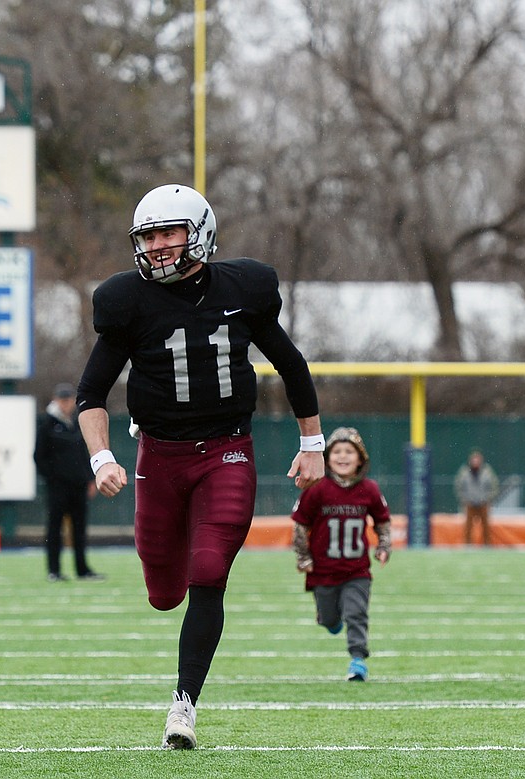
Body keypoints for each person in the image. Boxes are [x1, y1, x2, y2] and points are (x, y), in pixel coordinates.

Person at [76, 183, 325, 750]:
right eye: (148, 236)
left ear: (200, 233)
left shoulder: (245, 288)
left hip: (226, 450)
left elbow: (291, 365)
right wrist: (102, 456)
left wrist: (313, 443)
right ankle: (174, 598)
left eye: (168, 233)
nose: (158, 246)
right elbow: (90, 394)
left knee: (209, 569)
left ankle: (183, 707)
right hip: (159, 455)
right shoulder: (126, 301)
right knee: (164, 592)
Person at [291, 427, 391, 682]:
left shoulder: (369, 489)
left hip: (356, 569)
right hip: (323, 569)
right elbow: (301, 524)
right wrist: (303, 556)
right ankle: (330, 620)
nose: (343, 456)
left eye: (349, 451)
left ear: (360, 458)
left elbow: (382, 521)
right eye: (337, 451)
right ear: (327, 457)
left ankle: (358, 660)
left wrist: (383, 546)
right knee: (329, 619)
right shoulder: (317, 488)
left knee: (356, 613)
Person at [34, 382, 102, 582]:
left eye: (69, 400)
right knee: (55, 530)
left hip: (78, 486)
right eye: (63, 400)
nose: (66, 404)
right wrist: (53, 479)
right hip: (58, 488)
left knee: (79, 530)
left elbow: (84, 454)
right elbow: (39, 456)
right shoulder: (47, 424)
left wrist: (90, 479)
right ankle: (53, 570)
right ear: (56, 400)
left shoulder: (76, 423)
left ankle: (82, 569)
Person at [453, 448, 500, 546]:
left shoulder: (487, 472)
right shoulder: (465, 472)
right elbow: (458, 486)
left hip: (483, 503)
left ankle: (487, 545)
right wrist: (464, 499)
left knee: (486, 526)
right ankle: (467, 544)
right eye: (474, 460)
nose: (475, 462)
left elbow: (494, 486)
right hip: (469, 503)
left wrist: (488, 499)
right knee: (468, 527)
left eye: (477, 460)